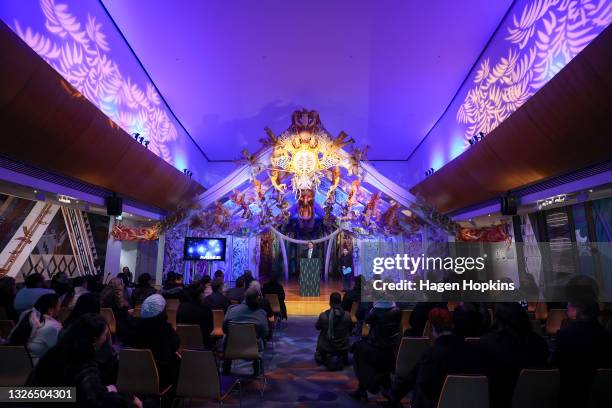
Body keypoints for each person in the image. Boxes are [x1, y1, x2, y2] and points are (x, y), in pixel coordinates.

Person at [27, 313, 141, 408]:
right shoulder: (84, 365)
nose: (106, 338)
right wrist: (128, 400)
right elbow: (95, 400)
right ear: (95, 339)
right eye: (105, 334)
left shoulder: (54, 353)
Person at [385, 308, 486, 408]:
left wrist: (394, 397)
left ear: (431, 327)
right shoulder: (472, 350)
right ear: (452, 325)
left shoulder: (432, 354)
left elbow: (423, 385)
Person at [552, 277, 612, 408]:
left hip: (570, 395)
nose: (567, 305)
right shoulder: (607, 336)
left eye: (569, 303)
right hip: (603, 396)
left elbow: (555, 364)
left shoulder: (565, 335)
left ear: (576, 309)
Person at [479, 303, 549, 408]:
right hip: (534, 400)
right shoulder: (540, 344)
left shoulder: (487, 342)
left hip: (497, 400)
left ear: (497, 319)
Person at [124, 294, 180, 389]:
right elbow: (176, 345)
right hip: (161, 378)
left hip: (134, 373)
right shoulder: (165, 329)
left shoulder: (134, 327)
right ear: (162, 312)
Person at [350, 300, 402, 401]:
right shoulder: (398, 311)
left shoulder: (375, 312)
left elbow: (361, 317)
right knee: (360, 348)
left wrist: (370, 306)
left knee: (357, 348)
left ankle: (362, 389)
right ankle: (381, 386)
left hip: (377, 348)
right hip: (392, 350)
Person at [223, 286, 268, 375]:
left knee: (226, 338)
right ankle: (257, 373)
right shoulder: (261, 313)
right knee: (260, 341)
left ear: (244, 297)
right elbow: (265, 334)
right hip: (253, 350)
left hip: (231, 348)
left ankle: (225, 373)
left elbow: (224, 329)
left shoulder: (231, 309)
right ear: (258, 298)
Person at [9, 293, 62, 365]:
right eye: (59, 306)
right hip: (35, 368)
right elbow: (58, 351)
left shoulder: (28, 315)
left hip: (13, 363)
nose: (60, 309)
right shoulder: (51, 327)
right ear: (50, 310)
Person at [315, 292, 353, 370]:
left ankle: (322, 356)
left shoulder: (323, 316)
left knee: (322, 334)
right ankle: (342, 356)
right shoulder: (347, 315)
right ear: (340, 302)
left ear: (330, 303)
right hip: (343, 346)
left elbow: (317, 327)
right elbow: (351, 328)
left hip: (327, 346)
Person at [177, 282, 213, 347]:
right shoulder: (206, 309)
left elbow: (178, 324)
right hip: (203, 345)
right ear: (201, 294)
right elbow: (210, 329)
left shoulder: (181, 307)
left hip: (183, 345)